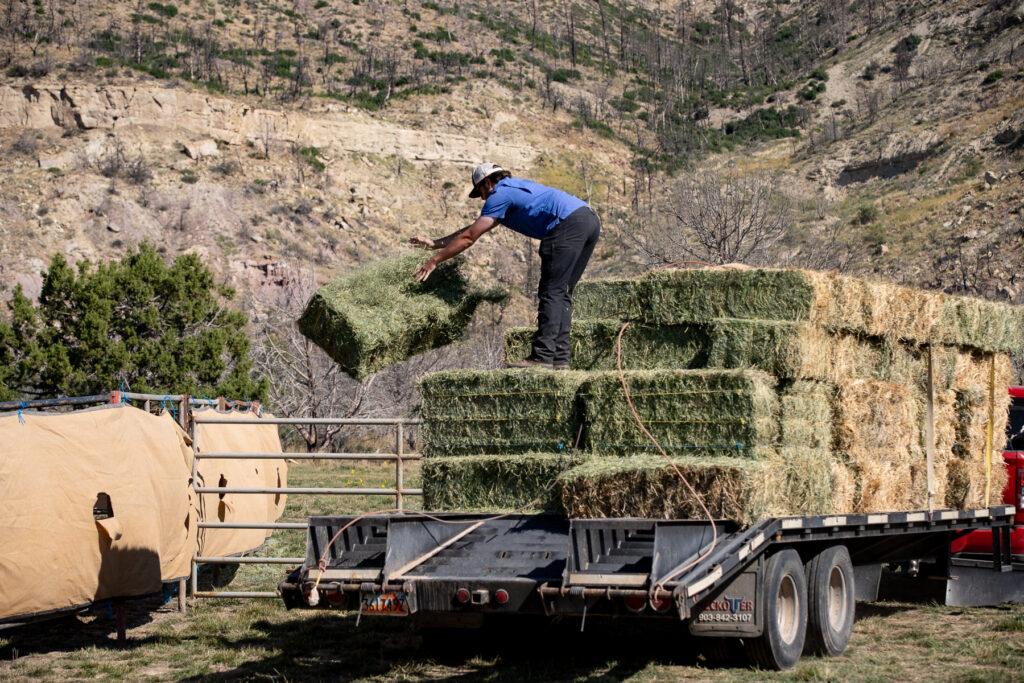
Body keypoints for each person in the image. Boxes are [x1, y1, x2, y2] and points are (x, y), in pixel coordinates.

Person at [412, 162, 600, 370]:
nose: (483, 198)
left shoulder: (499, 195)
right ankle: (560, 359)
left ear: (487, 182)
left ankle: (543, 357)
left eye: (481, 192)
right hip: (588, 219)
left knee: (552, 292)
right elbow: (471, 229)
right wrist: (435, 243)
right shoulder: (516, 188)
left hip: (567, 225)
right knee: (562, 292)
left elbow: (469, 237)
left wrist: (433, 261)